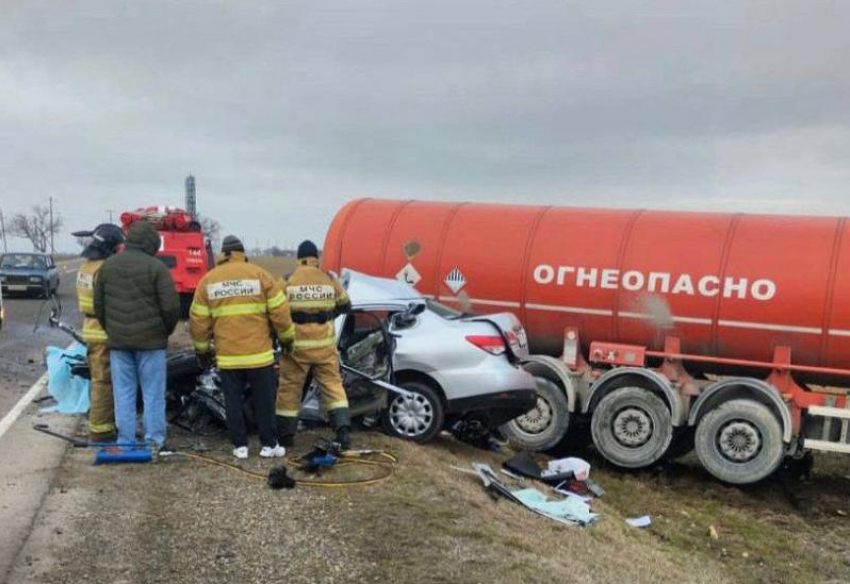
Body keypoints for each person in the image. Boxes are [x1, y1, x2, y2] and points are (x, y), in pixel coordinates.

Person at [190, 235, 295, 459]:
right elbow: (281, 313)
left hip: (228, 357)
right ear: (241, 253)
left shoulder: (209, 280)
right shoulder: (260, 275)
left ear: (223, 255)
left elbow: (198, 321)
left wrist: (202, 352)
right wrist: (287, 339)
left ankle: (240, 446)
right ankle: (269, 445)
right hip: (259, 356)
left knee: (233, 401)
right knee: (264, 401)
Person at [94, 220, 180, 448]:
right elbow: (171, 307)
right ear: (151, 244)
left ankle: (126, 441)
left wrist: (112, 330)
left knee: (123, 394)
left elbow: (99, 306)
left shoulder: (108, 267)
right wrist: (165, 332)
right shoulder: (157, 268)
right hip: (151, 345)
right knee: (153, 394)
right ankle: (154, 441)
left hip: (119, 344)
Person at [276, 240, 352, 449]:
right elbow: (346, 305)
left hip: (296, 348)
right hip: (324, 348)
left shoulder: (288, 280)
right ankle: (343, 431)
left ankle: (285, 437)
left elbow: (275, 310)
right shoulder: (329, 279)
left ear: (299, 258)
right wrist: (327, 316)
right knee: (333, 388)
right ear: (316, 259)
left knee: (290, 389)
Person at [71, 223, 125, 442]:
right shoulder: (104, 269)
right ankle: (101, 431)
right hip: (103, 330)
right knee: (104, 381)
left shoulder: (86, 267)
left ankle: (101, 425)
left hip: (91, 328)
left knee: (97, 379)